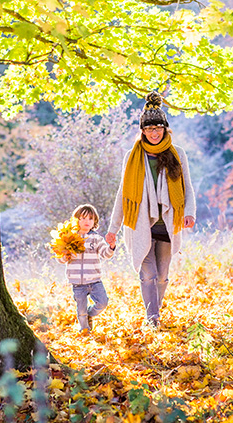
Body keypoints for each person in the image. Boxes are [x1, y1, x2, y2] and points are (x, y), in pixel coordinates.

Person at [106, 91, 196, 329]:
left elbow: (187, 186)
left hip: (167, 224)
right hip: (140, 225)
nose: (154, 133)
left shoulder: (178, 154)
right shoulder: (132, 157)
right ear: (142, 131)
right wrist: (113, 228)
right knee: (148, 275)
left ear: (165, 129)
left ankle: (154, 310)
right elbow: (123, 194)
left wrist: (189, 213)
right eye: (149, 129)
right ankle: (152, 319)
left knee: (162, 276)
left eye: (158, 128)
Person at [62, 204, 116, 333]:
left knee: (102, 303)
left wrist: (111, 246)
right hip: (77, 282)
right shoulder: (70, 238)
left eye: (90, 219)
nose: (87, 222)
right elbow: (60, 257)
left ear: (94, 222)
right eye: (83, 218)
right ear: (77, 220)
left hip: (94, 280)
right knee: (81, 310)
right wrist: (65, 256)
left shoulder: (96, 238)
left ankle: (90, 314)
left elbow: (105, 254)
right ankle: (84, 330)